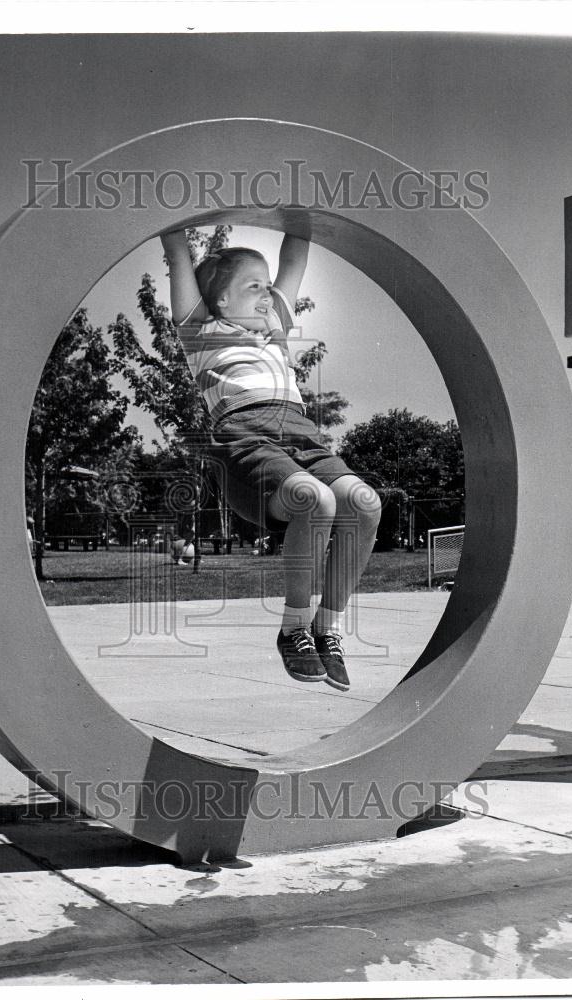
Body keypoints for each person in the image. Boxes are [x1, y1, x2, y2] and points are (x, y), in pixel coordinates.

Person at [161, 229, 382, 691]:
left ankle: (328, 628)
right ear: (219, 301)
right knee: (313, 499)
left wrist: (302, 207)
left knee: (363, 502)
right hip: (246, 438)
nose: (268, 293)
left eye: (267, 284)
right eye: (253, 286)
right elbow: (177, 254)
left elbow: (297, 255)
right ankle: (293, 628)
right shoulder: (200, 332)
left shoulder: (276, 326)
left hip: (302, 434)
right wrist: (173, 225)